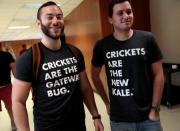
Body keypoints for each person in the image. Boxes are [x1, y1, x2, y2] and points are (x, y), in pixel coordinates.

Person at [12, 1, 104, 131]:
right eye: (49, 17)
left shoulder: (75, 52)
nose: (55, 21)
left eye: (59, 16)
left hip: (78, 125)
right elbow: (18, 101)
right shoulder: (29, 58)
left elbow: (85, 87)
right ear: (38, 23)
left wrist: (96, 116)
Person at [91, 0, 164, 131]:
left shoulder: (147, 39)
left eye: (129, 11)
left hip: (148, 117)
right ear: (110, 19)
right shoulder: (102, 46)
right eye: (120, 13)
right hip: (119, 119)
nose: (126, 16)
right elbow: (94, 76)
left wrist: (155, 108)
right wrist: (107, 103)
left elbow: (159, 74)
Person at [0, 43, 16, 131]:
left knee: (10, 106)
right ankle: (13, 122)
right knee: (10, 107)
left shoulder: (6, 55)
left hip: (6, 87)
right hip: (6, 87)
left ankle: (13, 122)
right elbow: (14, 68)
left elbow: (14, 67)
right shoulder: (7, 55)